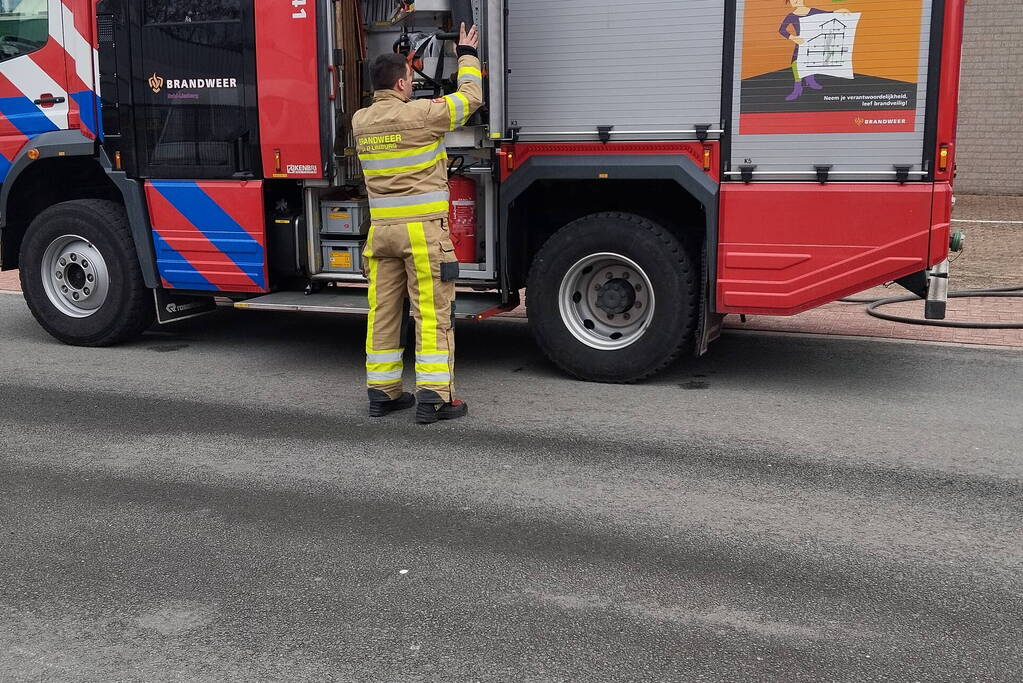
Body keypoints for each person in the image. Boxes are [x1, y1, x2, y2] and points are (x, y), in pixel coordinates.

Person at [352, 23, 483, 424]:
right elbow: (471, 98)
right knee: (431, 313)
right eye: (410, 77)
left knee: (384, 312)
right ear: (403, 82)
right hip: (422, 232)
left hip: (381, 234)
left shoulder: (360, 121)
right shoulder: (422, 115)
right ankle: (435, 397)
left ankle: (383, 393)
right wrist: (466, 54)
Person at [779, 0, 850, 101]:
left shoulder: (813, 11)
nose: (795, 1)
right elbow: (781, 29)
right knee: (796, 63)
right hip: (801, 43)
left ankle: (810, 80)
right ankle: (797, 88)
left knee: (811, 60)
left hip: (814, 42)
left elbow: (827, 15)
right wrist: (793, 37)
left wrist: (838, 11)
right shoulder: (791, 15)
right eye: (791, 0)